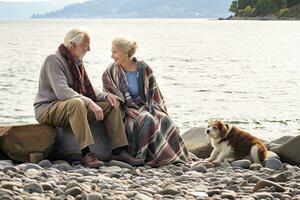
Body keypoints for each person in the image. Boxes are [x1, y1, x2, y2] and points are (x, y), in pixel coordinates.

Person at [33, 27, 143, 168]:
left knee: (111, 104)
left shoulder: (76, 62)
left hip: (68, 106)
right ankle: (86, 154)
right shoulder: (53, 60)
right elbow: (62, 91)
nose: (89, 49)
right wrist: (89, 102)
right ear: (73, 45)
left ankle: (119, 151)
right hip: (48, 108)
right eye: (86, 46)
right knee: (77, 103)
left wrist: (106, 95)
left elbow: (88, 88)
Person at [102, 37, 192, 167]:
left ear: (126, 53)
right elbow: (109, 95)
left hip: (147, 107)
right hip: (125, 112)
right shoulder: (110, 71)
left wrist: (154, 109)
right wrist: (126, 109)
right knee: (147, 119)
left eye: (115, 52)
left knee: (164, 119)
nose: (112, 56)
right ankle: (141, 156)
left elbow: (154, 94)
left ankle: (176, 156)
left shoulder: (144, 68)